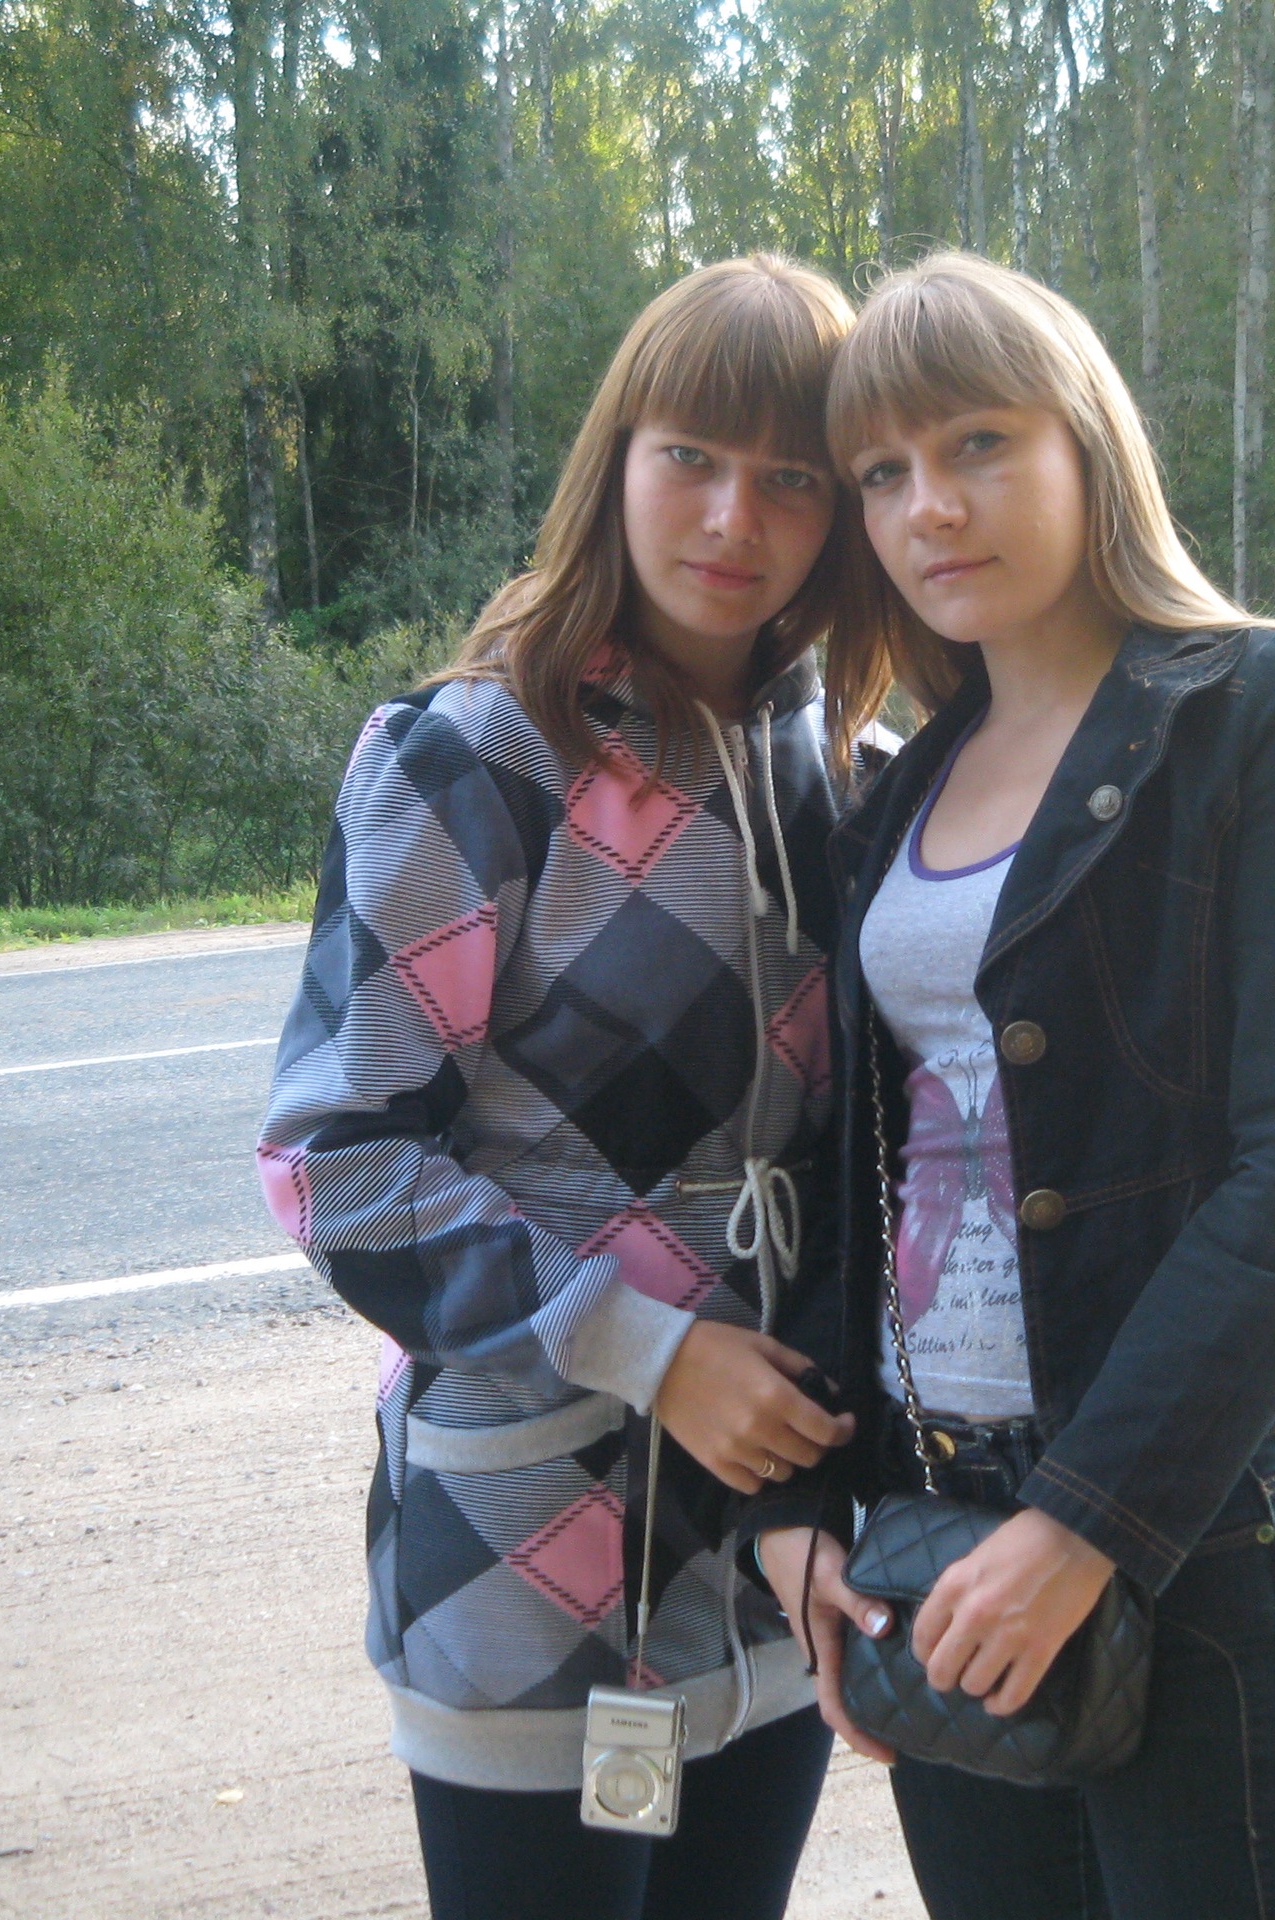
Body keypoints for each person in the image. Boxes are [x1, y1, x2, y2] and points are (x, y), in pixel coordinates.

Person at [752, 251, 1275, 1920]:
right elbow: (865, 1178)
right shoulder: (897, 794)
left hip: (1203, 1547)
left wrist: (1084, 1525)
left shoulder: (1255, 708)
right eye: (883, 473)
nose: (929, 505)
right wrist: (808, 1502)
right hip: (943, 1534)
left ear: (1087, 442)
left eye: (978, 443)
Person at [257, 255, 895, 1920]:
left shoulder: (846, 776)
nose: (734, 517)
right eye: (691, 456)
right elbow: (341, 1165)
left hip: (773, 1547)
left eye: (792, 477)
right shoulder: (476, 761)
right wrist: (655, 1353)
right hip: (528, 1545)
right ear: (615, 458)